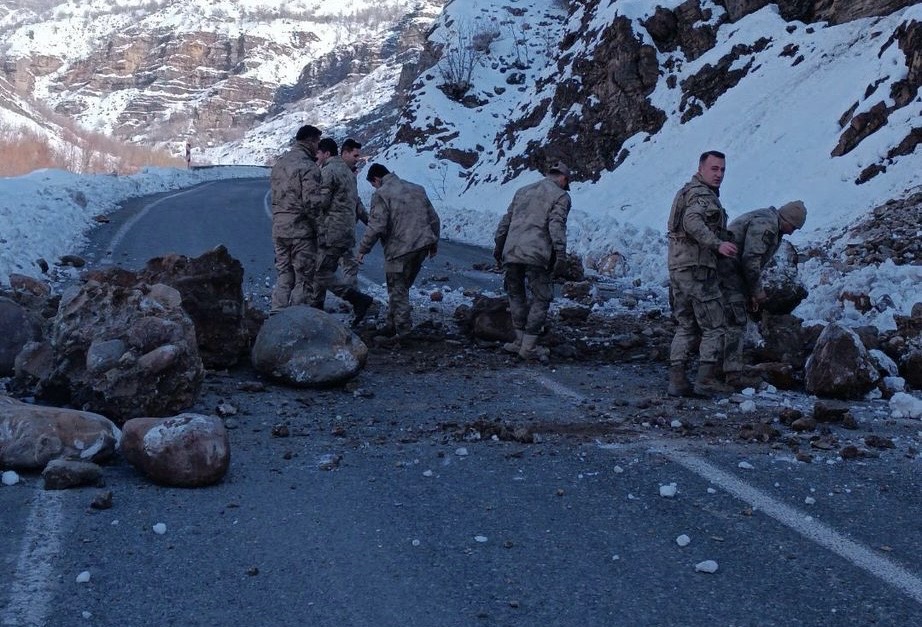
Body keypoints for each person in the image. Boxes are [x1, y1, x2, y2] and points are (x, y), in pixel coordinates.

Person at [666, 150, 739, 397]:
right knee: (715, 326)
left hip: (678, 268)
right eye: (714, 169)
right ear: (701, 169)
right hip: (697, 270)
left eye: (723, 170)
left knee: (686, 325)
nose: (719, 174)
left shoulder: (686, 191)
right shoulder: (702, 196)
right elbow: (692, 221)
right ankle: (705, 380)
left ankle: (677, 380)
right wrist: (717, 243)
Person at [718, 200, 807, 387]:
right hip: (727, 272)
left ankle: (718, 366)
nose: (792, 232)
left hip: (729, 272)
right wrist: (757, 292)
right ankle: (731, 373)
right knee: (736, 320)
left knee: (726, 318)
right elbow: (751, 260)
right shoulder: (766, 224)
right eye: (794, 227)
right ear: (787, 220)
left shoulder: (769, 220)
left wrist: (750, 293)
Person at [492, 161, 571, 361]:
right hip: (536, 252)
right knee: (541, 297)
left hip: (511, 251)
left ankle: (518, 341)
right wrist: (560, 254)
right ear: (563, 178)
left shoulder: (522, 191)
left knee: (516, 293)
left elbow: (505, 223)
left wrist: (498, 249)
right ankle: (529, 347)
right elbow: (556, 225)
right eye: (566, 182)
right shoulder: (560, 196)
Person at [356, 163, 440, 339]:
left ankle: (403, 331)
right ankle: (391, 324)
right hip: (422, 246)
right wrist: (434, 243)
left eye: (373, 184)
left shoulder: (381, 194)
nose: (374, 187)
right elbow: (433, 218)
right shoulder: (417, 188)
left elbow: (377, 225)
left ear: (376, 179)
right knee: (402, 286)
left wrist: (363, 249)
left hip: (399, 248)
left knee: (397, 289)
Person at [312, 137, 374, 325]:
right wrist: (372, 224)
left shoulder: (329, 171)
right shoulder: (349, 174)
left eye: (319, 153)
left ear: (326, 154)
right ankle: (316, 306)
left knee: (319, 272)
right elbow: (357, 205)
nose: (317, 157)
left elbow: (321, 202)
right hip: (346, 231)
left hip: (331, 231)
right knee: (329, 268)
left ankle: (357, 299)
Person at [268, 124, 323, 313]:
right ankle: (298, 322)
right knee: (304, 278)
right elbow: (312, 203)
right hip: (301, 231)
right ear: (310, 141)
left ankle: (276, 315)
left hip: (279, 229)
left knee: (284, 273)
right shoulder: (309, 167)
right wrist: (321, 229)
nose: (318, 147)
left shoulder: (279, 165)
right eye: (317, 142)